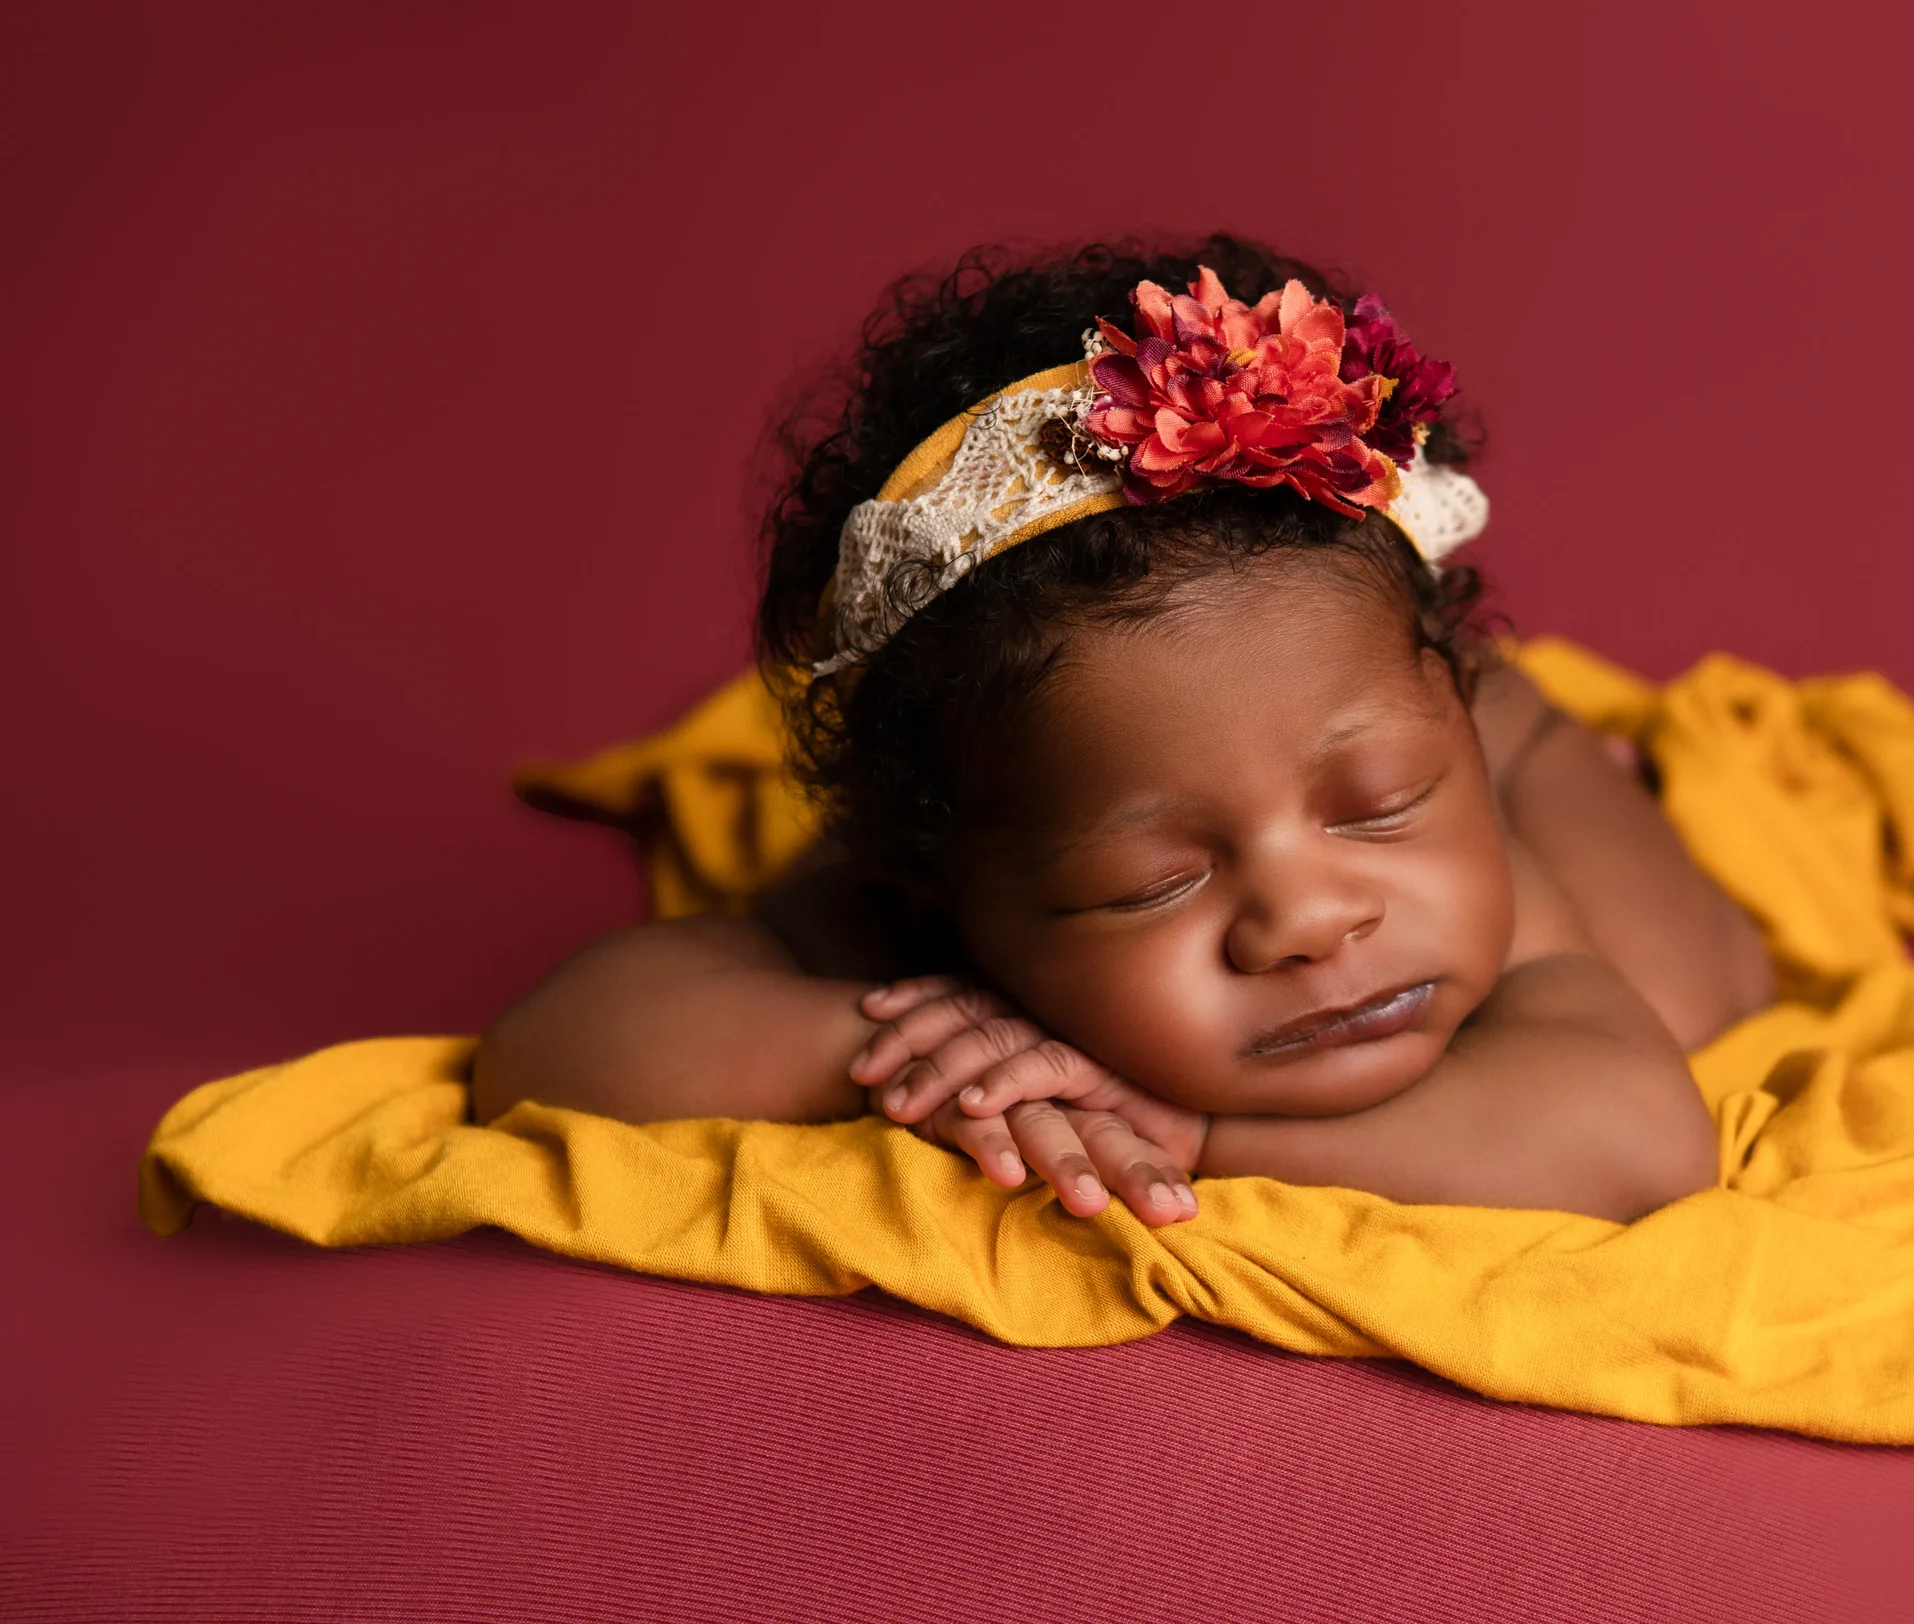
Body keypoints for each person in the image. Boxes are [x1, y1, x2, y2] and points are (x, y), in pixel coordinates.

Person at [472, 237, 1773, 1229]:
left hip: (1500, 762)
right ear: (942, 892)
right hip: (1362, 717)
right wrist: (889, 1055)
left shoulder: (1480, 866)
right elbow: (547, 1047)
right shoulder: (928, 908)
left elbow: (1640, 1137)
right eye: (1153, 881)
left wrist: (1188, 1127)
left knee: (1699, 980)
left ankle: (1543, 743)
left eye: (1379, 805)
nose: (1311, 919)